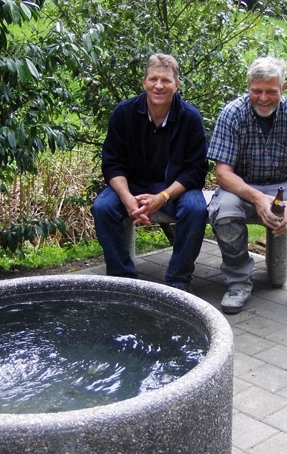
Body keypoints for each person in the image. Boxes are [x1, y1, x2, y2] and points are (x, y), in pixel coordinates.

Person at [207, 56, 287, 314]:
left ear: (283, 88)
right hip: (241, 187)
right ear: (248, 87)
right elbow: (222, 174)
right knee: (225, 214)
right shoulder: (232, 114)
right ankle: (238, 283)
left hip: (284, 185)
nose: (263, 98)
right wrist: (257, 198)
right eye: (257, 91)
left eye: (271, 91)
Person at [91, 53, 208, 291]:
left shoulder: (190, 118)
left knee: (196, 209)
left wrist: (162, 197)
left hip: (174, 188)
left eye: (166, 80)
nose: (158, 86)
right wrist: (127, 199)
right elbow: (112, 164)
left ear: (177, 85)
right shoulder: (123, 113)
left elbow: (195, 171)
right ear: (144, 82)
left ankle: (178, 280)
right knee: (102, 207)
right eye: (153, 79)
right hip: (132, 185)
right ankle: (123, 279)